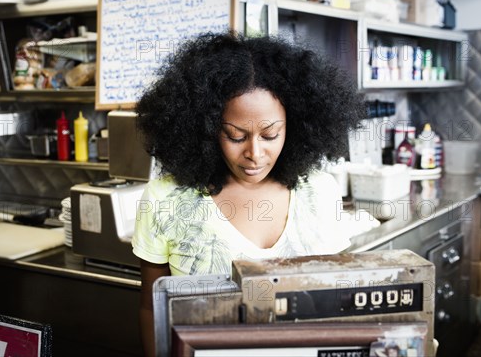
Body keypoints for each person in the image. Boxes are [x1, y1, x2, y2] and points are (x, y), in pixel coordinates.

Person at [132, 32, 365, 356]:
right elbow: (150, 306)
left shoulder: (319, 191)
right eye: (235, 136)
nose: (254, 153)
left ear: (294, 125)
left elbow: (338, 299)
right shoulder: (166, 198)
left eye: (270, 135)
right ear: (208, 127)